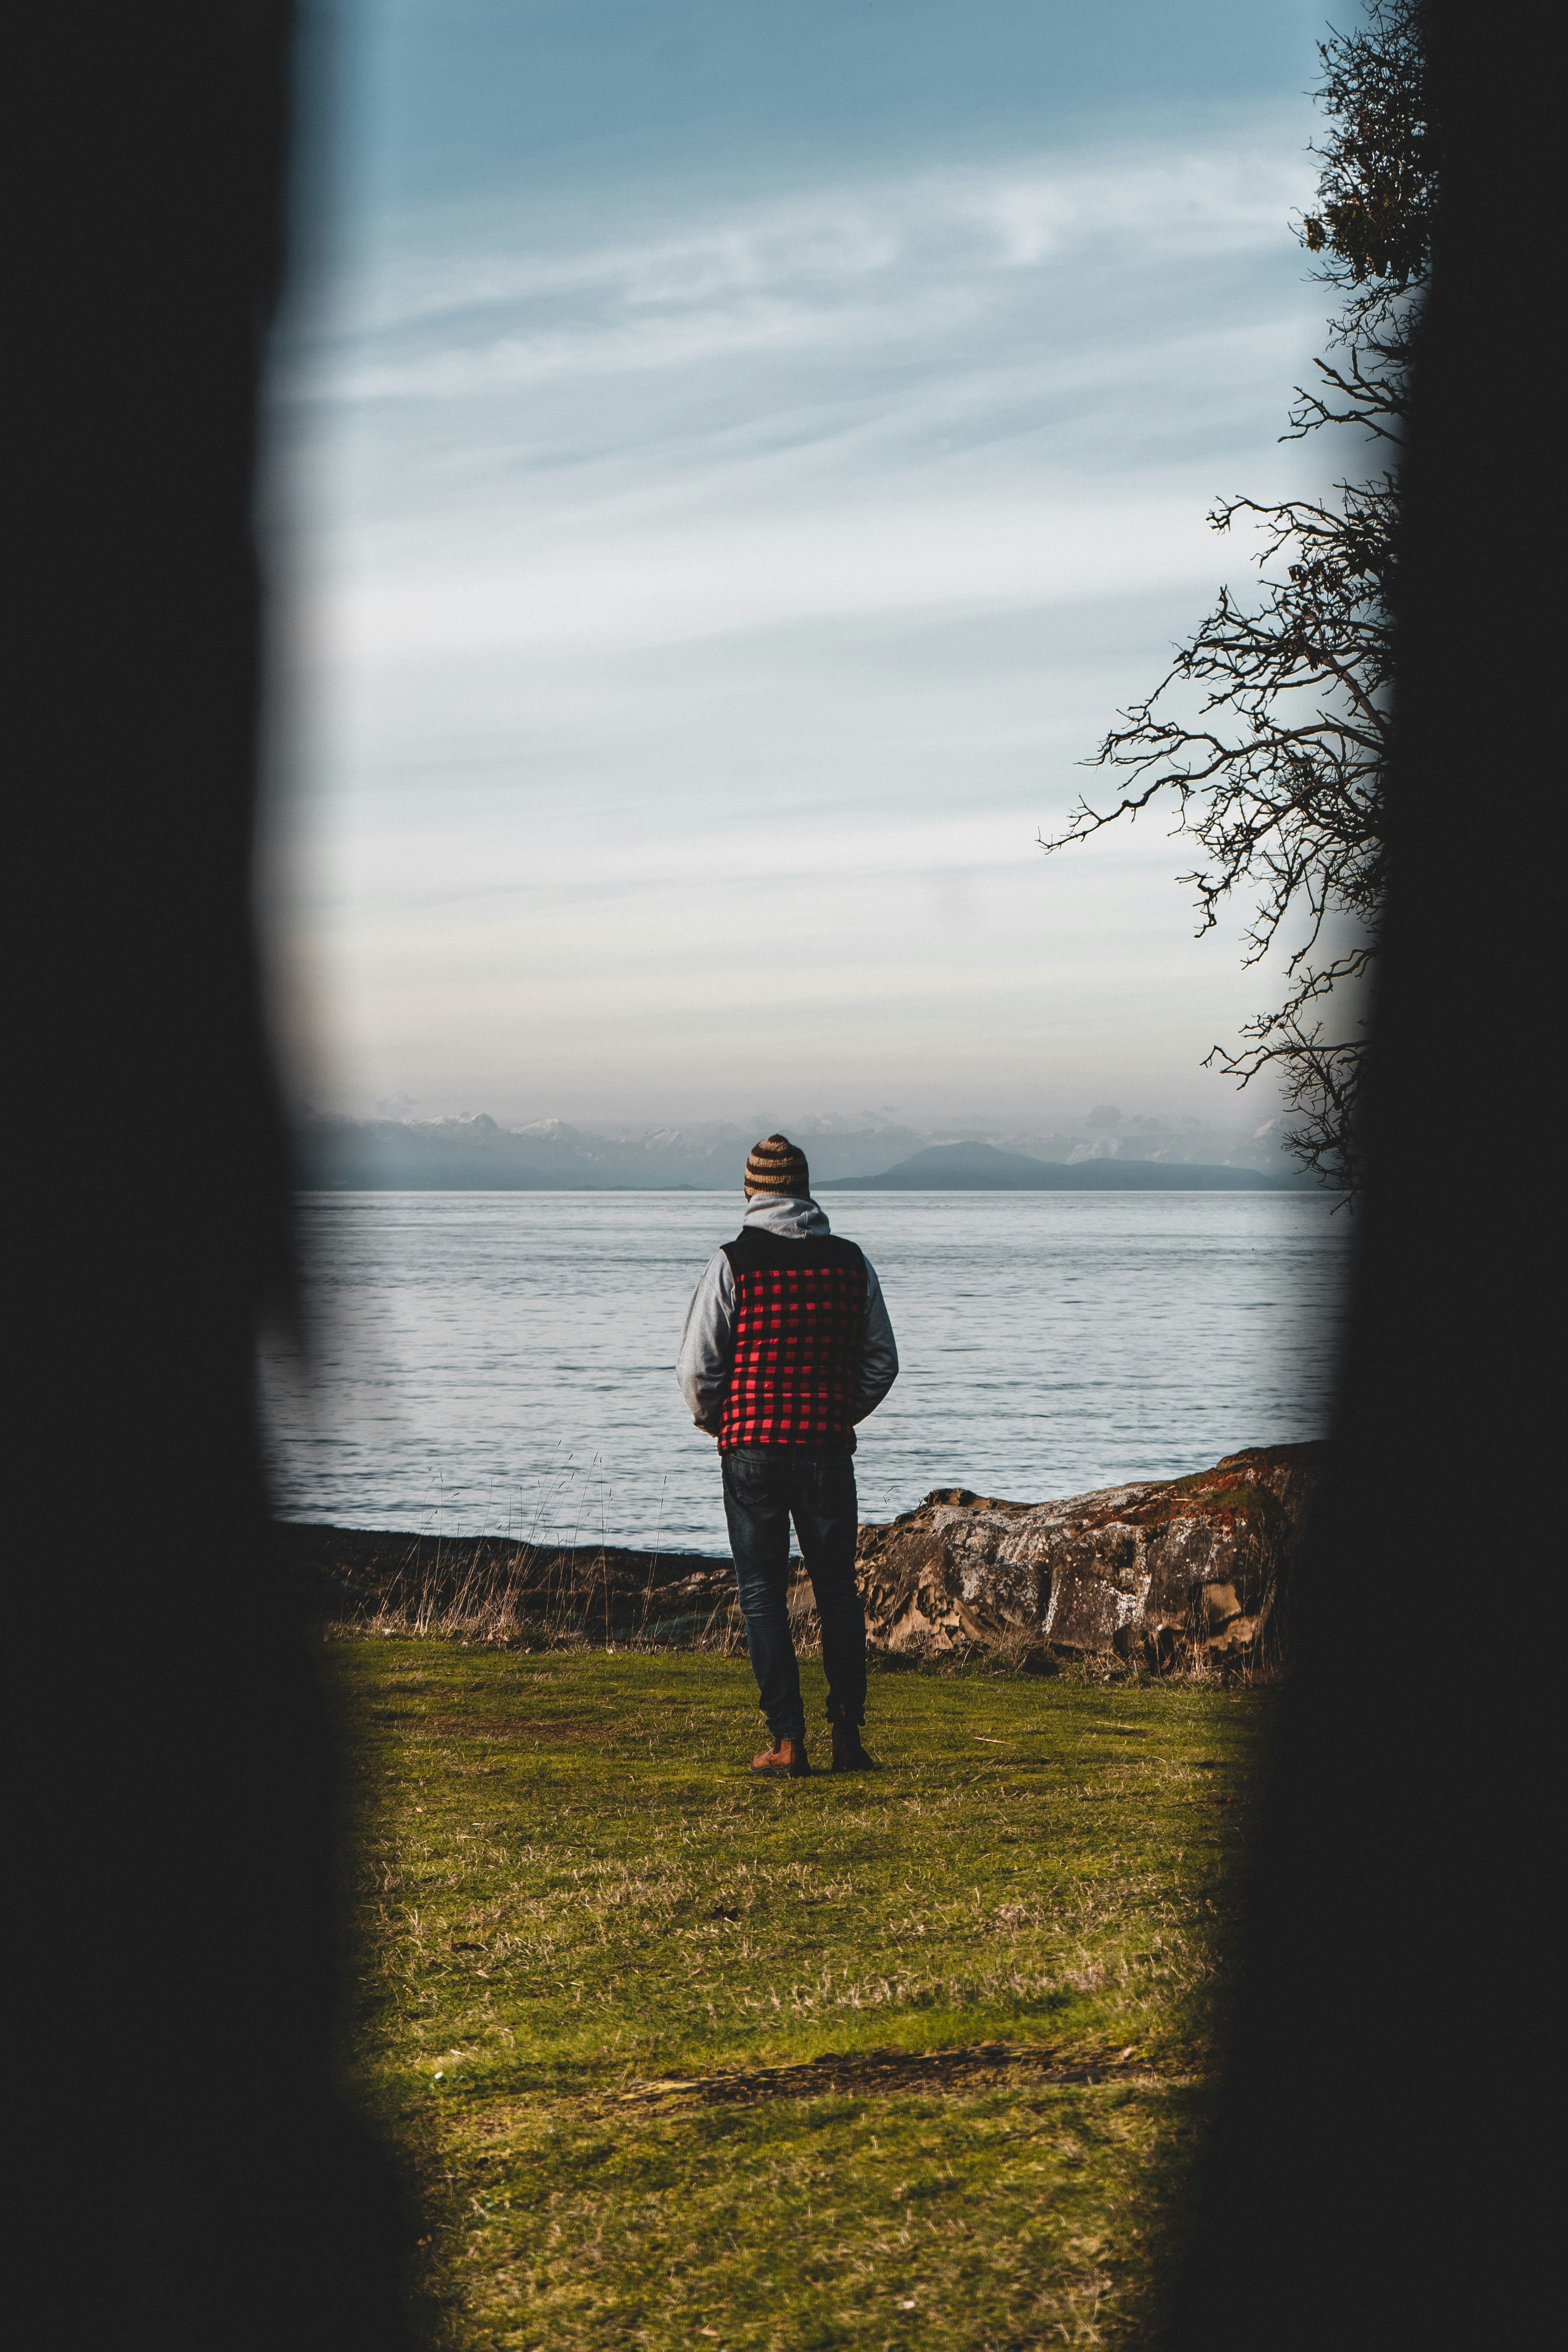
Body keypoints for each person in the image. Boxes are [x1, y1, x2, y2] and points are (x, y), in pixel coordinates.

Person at [676, 1133, 899, 1777]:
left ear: (750, 1191)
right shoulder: (850, 1262)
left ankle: (788, 1740)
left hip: (753, 1451)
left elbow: (698, 1369)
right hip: (827, 1449)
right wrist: (838, 1409)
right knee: (838, 1593)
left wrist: (720, 1421)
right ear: (803, 1190)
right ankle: (848, 1737)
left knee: (761, 1594)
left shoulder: (731, 1263)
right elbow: (881, 1361)